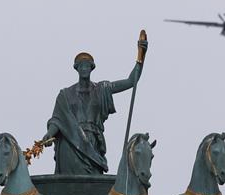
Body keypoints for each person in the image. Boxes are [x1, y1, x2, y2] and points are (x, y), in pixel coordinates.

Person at [42, 45, 147, 175]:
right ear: (77, 69)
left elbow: (130, 81)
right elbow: (57, 120)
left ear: (91, 68)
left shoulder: (102, 89)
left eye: (87, 66)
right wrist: (49, 134)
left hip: (93, 142)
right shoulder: (65, 94)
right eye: (81, 66)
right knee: (69, 181)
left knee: (93, 180)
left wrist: (141, 57)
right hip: (70, 143)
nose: (84, 69)